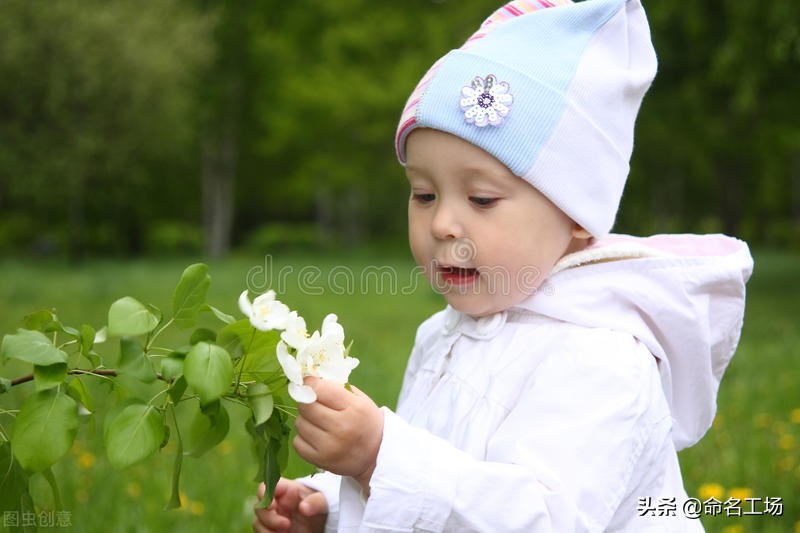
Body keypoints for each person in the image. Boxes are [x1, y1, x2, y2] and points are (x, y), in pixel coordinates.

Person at [253, 0, 754, 531]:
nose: (443, 222)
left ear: (578, 213)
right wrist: (333, 506)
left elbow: (543, 517)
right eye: (423, 194)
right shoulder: (441, 336)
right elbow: (446, 474)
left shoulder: (602, 358)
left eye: (483, 199)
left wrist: (381, 456)